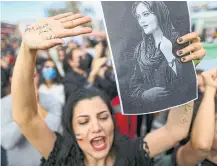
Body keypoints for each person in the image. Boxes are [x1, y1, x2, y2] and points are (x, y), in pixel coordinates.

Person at [11, 13, 205, 166]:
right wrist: (27, 50)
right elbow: (26, 117)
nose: (96, 127)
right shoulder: (62, 155)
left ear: (113, 122)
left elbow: (175, 131)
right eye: (83, 121)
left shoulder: (131, 154)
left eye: (103, 117)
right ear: (71, 128)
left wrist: (186, 69)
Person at [130, 2, 204, 111]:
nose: (141, 20)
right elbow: (134, 84)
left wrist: (169, 55)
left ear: (159, 14)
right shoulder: (140, 49)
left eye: (146, 14)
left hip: (176, 112)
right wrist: (144, 95)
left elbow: (182, 83)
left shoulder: (180, 42)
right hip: (150, 115)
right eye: (138, 16)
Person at [154, 68, 217, 166]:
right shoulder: (189, 160)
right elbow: (200, 146)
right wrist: (210, 89)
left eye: (204, 85)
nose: (201, 90)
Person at [1, 68, 63, 166]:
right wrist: (27, 111)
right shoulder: (3, 104)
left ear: (38, 77)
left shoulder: (52, 101)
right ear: (12, 80)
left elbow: (58, 134)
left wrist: (37, 106)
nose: (28, 80)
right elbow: (7, 142)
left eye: (33, 76)